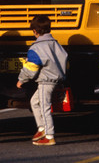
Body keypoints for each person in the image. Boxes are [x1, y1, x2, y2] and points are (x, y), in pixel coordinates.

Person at [16, 15, 68, 146]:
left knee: (45, 107)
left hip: (46, 81)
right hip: (55, 79)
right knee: (34, 102)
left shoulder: (36, 47)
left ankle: (49, 135)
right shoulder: (56, 44)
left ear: (35, 31)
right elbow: (65, 59)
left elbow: (31, 68)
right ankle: (41, 128)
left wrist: (21, 80)